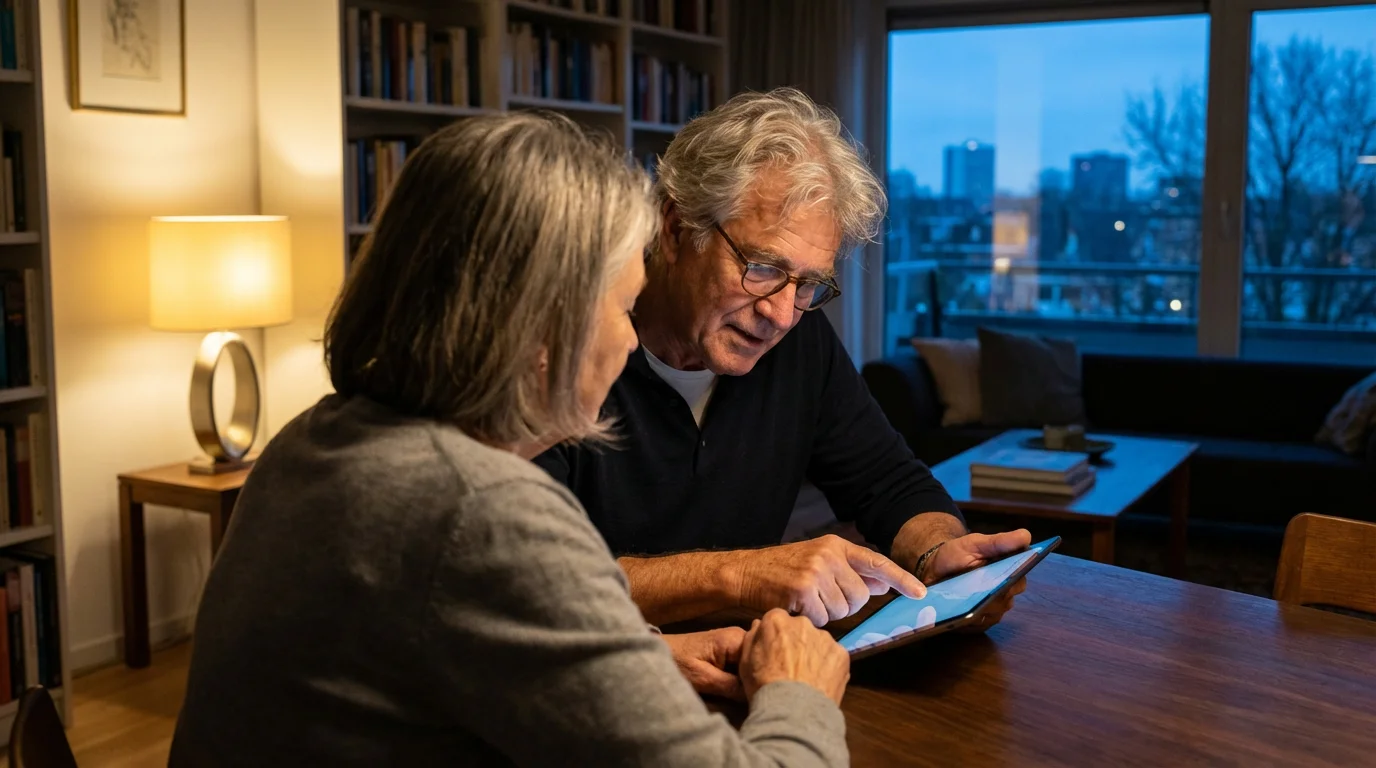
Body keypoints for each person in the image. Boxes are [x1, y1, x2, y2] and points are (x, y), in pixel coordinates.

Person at [169, 112, 852, 767]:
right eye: (621, 307)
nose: (627, 340)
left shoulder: (311, 441)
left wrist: (634, 650)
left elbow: (427, 645)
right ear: (542, 329)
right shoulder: (486, 512)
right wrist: (798, 688)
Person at [535, 88, 1031, 630]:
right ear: (675, 229)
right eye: (763, 267)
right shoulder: (567, 347)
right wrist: (744, 576)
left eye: (809, 283)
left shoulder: (800, 341)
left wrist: (939, 556)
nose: (781, 314)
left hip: (750, 669)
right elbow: (533, 580)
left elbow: (889, 482)